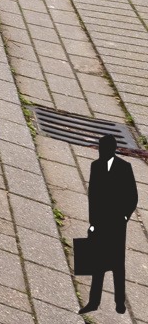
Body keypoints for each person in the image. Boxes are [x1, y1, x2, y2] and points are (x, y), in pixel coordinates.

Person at [85, 134, 138, 315]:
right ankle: (93, 302)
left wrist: (124, 218)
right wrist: (92, 222)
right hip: (100, 223)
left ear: (112, 149)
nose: (101, 151)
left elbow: (132, 196)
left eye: (104, 148)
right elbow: (93, 197)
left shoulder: (124, 168)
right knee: (97, 264)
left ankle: (119, 303)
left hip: (116, 224)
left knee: (117, 265)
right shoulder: (96, 166)